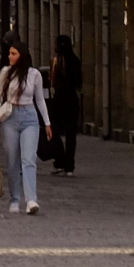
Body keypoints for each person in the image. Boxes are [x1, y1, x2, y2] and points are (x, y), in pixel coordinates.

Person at [0, 41, 51, 214]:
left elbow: (39, 99)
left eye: (13, 53)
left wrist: (47, 122)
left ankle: (31, 199)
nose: (10, 57)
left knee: (29, 159)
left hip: (30, 117)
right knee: (12, 159)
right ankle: (14, 199)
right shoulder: (5, 73)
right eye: (9, 53)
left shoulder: (34, 75)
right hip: (10, 117)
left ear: (22, 55)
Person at [49, 35, 82, 176]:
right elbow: (79, 82)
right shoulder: (75, 61)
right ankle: (69, 166)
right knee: (70, 134)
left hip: (59, 100)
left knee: (54, 130)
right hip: (72, 100)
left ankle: (60, 160)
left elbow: (52, 81)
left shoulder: (56, 62)